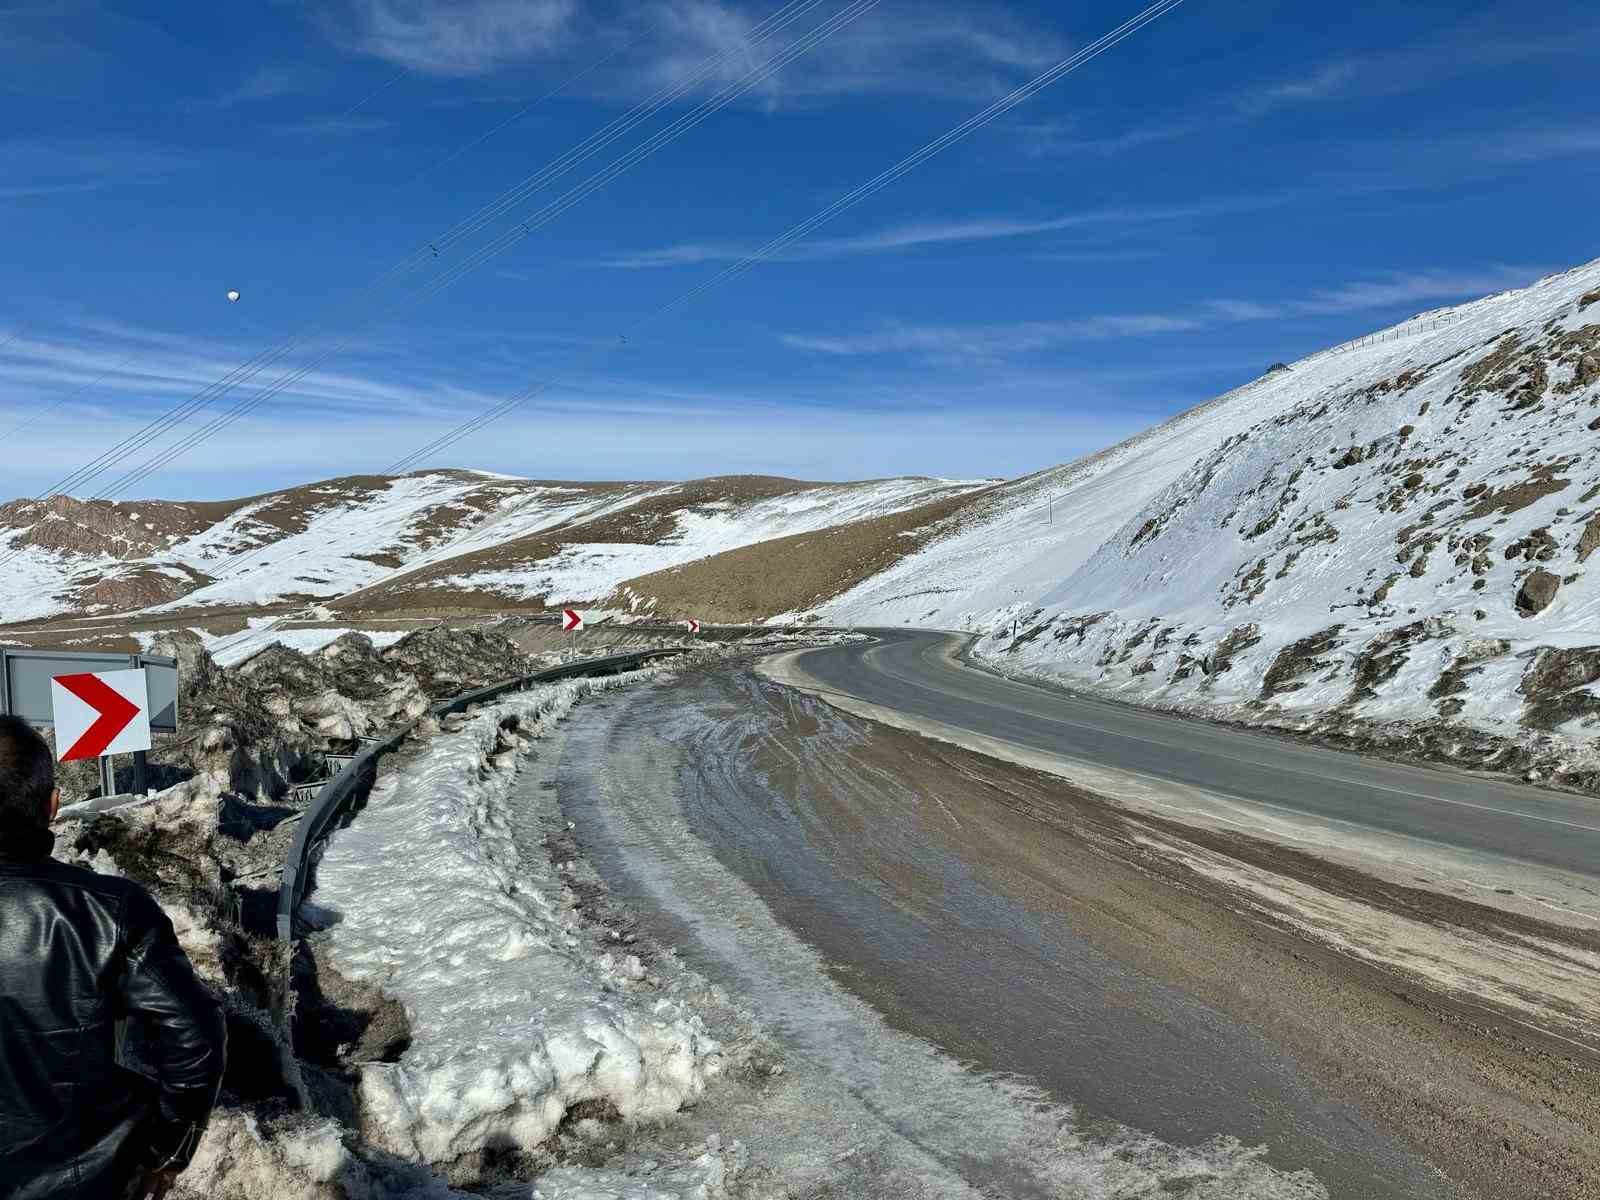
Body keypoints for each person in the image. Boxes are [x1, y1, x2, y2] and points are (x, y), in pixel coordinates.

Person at [0, 715, 226, 1200]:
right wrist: (166, 1150)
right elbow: (196, 1038)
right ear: (53, 805)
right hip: (85, 1180)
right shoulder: (110, 910)